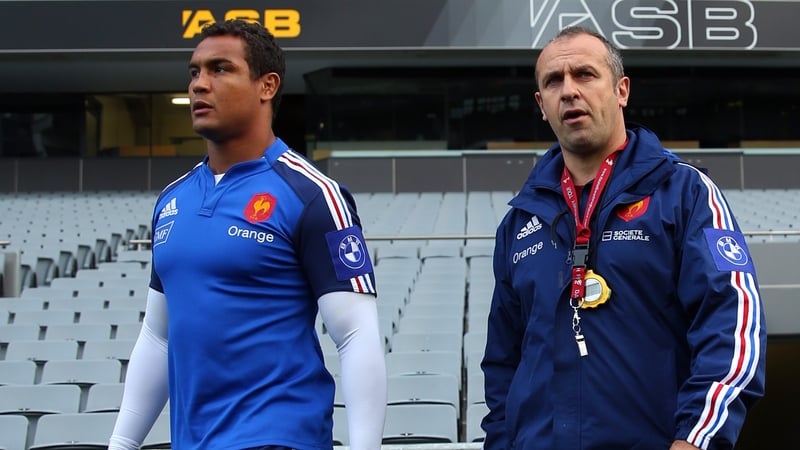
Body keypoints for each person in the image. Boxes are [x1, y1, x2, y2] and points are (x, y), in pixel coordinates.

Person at [481, 26, 765, 450]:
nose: (569, 91)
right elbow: (503, 362)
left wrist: (694, 439)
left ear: (621, 90)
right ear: (541, 105)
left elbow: (733, 326)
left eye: (585, 74)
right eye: (553, 82)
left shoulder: (684, 193)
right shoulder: (520, 220)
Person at [108, 19, 387, 450]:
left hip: (281, 439)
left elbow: (355, 334)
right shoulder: (171, 201)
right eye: (194, 71)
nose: (200, 84)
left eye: (220, 69)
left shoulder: (313, 195)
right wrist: (122, 444)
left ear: (267, 86)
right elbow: (157, 337)